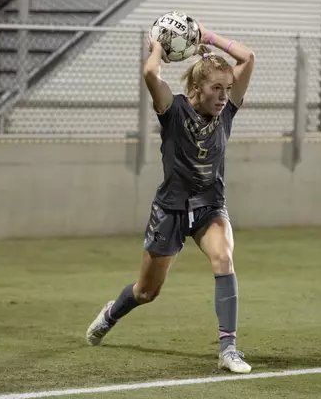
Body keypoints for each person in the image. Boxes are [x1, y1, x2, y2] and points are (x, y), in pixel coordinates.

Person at [86, 20, 255, 374]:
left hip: (210, 207)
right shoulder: (174, 110)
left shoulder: (227, 113)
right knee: (147, 292)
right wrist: (158, 46)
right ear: (196, 87)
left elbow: (247, 56)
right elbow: (151, 73)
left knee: (223, 260)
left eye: (228, 88)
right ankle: (111, 314)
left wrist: (205, 36)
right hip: (171, 210)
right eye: (216, 89)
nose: (225, 96)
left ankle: (229, 350)